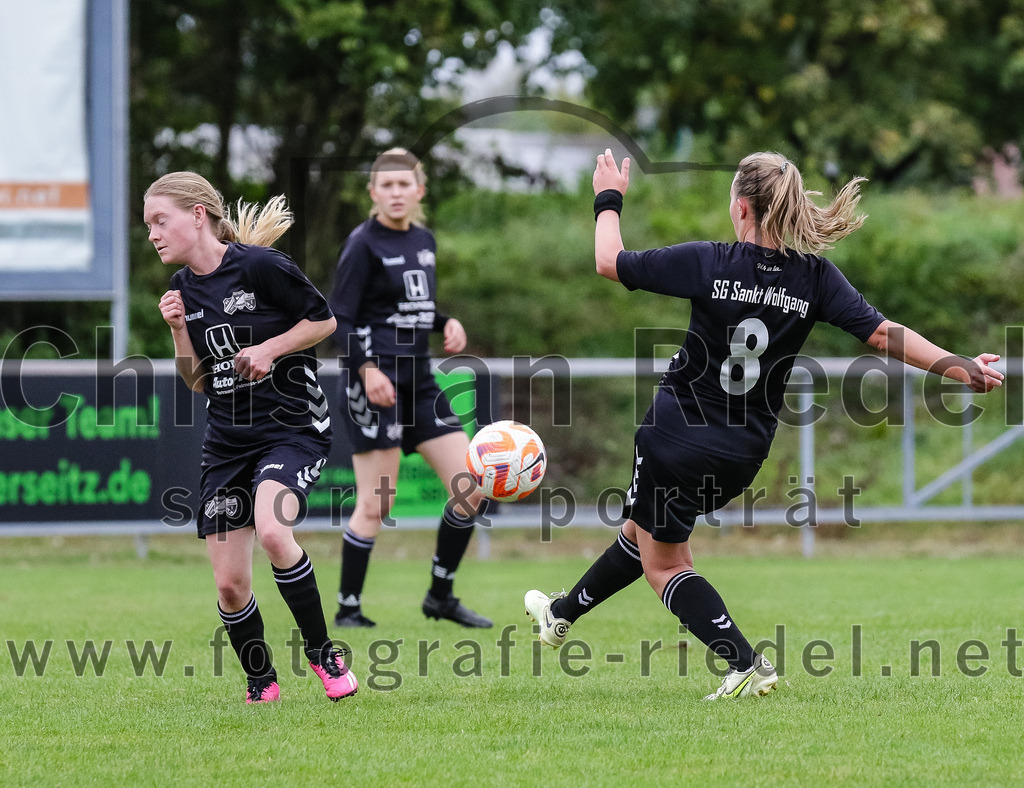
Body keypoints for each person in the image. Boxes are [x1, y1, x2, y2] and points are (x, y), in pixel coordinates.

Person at [526, 150, 1004, 700]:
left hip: (676, 433)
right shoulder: (814, 278)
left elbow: (610, 261)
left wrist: (608, 198)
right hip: (742, 453)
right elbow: (882, 334)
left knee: (667, 565)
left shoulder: (709, 262)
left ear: (742, 208)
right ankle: (559, 617)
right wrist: (957, 365)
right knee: (641, 529)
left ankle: (745, 661)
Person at [147, 172, 358, 704]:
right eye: (148, 224)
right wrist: (176, 330)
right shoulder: (180, 291)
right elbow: (198, 382)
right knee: (229, 584)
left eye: (159, 220)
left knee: (271, 528)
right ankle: (261, 681)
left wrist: (270, 349)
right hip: (226, 443)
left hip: (292, 428)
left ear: (198, 215)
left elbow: (323, 321)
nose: (152, 233)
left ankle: (322, 652)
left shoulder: (260, 266)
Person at [329, 148, 492, 629]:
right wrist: (366, 370)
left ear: (419, 191)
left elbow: (411, 306)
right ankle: (348, 609)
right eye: (387, 185)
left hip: (419, 382)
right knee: (376, 502)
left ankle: (440, 596)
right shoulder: (362, 244)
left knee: (471, 485)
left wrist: (446, 321)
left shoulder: (423, 239)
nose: (396, 193)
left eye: (405, 185)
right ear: (373, 193)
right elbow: (339, 318)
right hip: (373, 385)